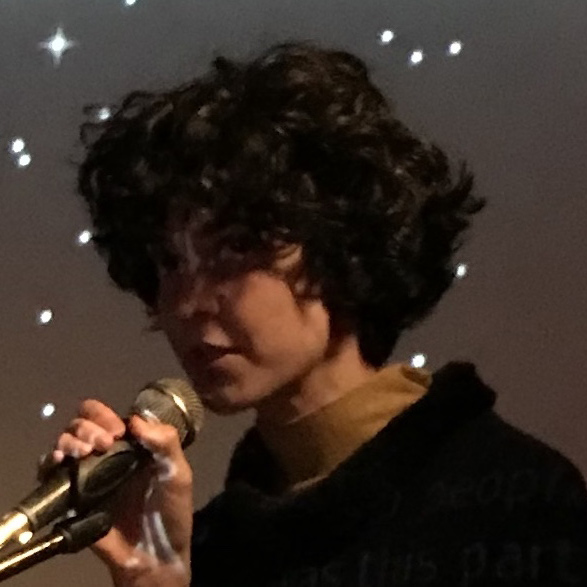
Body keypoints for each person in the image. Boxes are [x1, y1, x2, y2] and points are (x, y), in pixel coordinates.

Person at [45, 41, 587, 586]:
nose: (188, 301)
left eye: (236, 251)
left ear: (341, 248)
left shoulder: (519, 503)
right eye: (168, 264)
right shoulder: (208, 544)